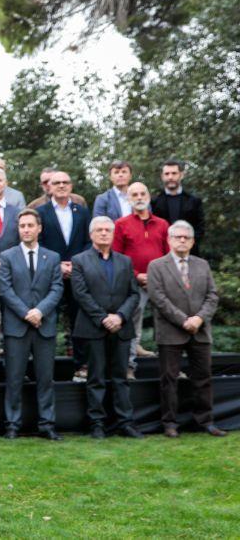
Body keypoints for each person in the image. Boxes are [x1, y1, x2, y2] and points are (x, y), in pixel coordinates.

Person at [147, 221, 226, 438]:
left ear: (192, 242)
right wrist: (184, 320)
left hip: (200, 330)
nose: (182, 240)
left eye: (187, 237)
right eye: (178, 236)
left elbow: (212, 296)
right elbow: (158, 298)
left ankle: (205, 421)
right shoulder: (156, 266)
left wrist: (199, 318)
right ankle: (170, 423)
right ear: (169, 240)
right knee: (169, 379)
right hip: (170, 331)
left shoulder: (203, 265)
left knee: (203, 377)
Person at [70, 216, 143, 439]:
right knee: (96, 378)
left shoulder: (125, 261)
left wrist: (120, 316)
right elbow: (80, 294)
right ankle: (97, 423)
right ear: (91, 234)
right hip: (94, 327)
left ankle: (125, 422)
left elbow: (134, 294)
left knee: (121, 378)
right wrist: (103, 318)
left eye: (107, 230)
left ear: (113, 234)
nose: (103, 233)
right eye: (99, 230)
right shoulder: (79, 260)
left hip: (121, 328)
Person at [0, 209, 64, 441]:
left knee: (45, 379)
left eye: (30, 225)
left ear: (39, 228)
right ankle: (12, 424)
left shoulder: (52, 257)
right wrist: (26, 313)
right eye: (22, 226)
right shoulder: (7, 256)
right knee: (14, 378)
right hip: (17, 326)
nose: (26, 229)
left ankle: (47, 424)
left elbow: (57, 288)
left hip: (44, 325)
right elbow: (5, 290)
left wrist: (40, 311)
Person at [36, 171, 92, 381]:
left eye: (65, 182)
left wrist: (75, 263)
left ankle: (81, 366)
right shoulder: (40, 212)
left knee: (80, 320)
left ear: (71, 186)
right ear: (49, 186)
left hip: (77, 274)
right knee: (48, 321)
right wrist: (57, 264)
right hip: (50, 274)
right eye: (56, 182)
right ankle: (45, 369)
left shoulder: (82, 212)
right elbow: (38, 242)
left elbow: (89, 241)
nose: (61, 185)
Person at [112, 182, 168, 370]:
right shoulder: (121, 224)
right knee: (132, 323)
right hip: (134, 283)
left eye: (142, 194)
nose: (139, 197)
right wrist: (137, 276)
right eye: (134, 194)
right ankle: (129, 366)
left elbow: (169, 255)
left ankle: (171, 368)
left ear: (149, 197)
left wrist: (155, 276)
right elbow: (117, 257)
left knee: (167, 323)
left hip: (160, 282)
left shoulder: (162, 224)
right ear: (128, 199)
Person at [151, 160, 205, 253]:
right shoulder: (154, 202)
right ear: (162, 176)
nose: (170, 177)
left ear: (181, 175)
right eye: (167, 174)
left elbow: (200, 228)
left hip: (189, 252)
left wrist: (186, 244)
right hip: (163, 253)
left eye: (174, 173)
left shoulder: (194, 201)